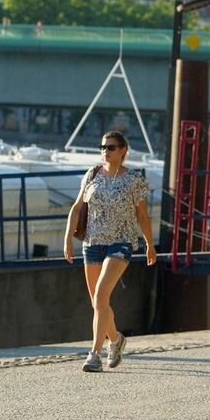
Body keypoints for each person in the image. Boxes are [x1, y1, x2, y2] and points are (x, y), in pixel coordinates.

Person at [64, 131, 156, 372]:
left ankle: (94, 355)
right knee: (97, 302)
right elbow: (76, 208)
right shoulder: (92, 174)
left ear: (123, 150)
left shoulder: (133, 180)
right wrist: (67, 240)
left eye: (111, 147)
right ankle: (115, 340)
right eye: (102, 147)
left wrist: (149, 244)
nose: (105, 151)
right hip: (92, 243)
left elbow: (142, 216)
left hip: (121, 243)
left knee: (102, 295)